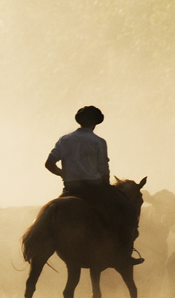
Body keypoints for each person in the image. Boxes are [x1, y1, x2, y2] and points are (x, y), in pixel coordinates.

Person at [44, 105, 143, 266]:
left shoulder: (64, 139)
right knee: (127, 210)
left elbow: (49, 164)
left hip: (70, 189)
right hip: (94, 189)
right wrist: (106, 185)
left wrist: (65, 174)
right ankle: (124, 255)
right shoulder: (98, 141)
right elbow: (103, 169)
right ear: (95, 123)